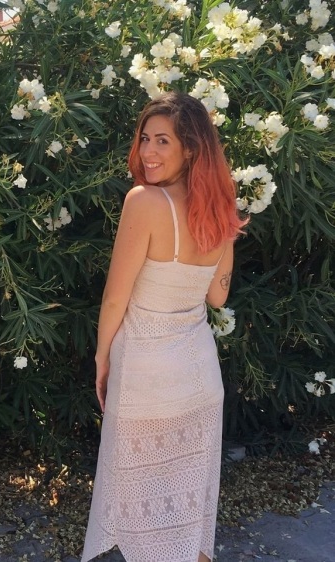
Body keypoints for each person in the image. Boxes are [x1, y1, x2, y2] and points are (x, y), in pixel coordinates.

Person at [81, 91, 247, 562]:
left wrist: (101, 358)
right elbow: (217, 296)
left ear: (190, 149)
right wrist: (223, 239)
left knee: (137, 513)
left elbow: (115, 297)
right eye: (145, 138)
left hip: (146, 375)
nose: (148, 152)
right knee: (190, 517)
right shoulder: (219, 209)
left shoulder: (145, 201)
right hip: (199, 378)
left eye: (162, 141)